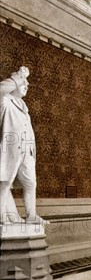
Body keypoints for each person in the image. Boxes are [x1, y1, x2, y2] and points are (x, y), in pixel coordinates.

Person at [0, 66, 47, 225]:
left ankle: (31, 215)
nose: (26, 85)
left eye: (27, 83)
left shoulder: (23, 107)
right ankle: (1, 216)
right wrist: (20, 76)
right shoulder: (5, 101)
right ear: (14, 85)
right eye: (23, 83)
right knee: (4, 182)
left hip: (26, 152)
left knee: (31, 183)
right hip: (10, 150)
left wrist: (31, 151)